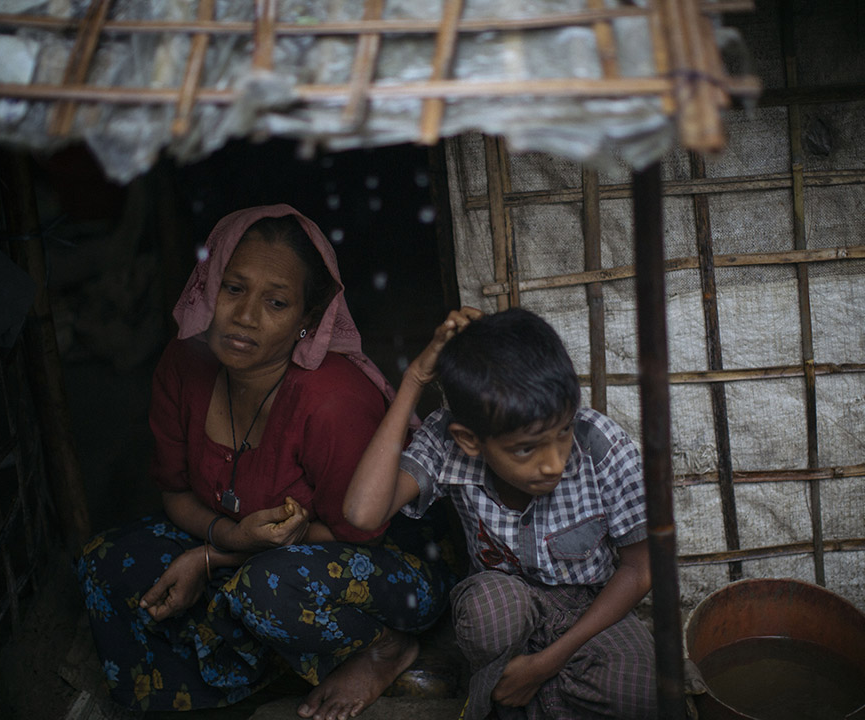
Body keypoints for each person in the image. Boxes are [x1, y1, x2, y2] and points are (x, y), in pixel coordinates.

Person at [77, 204, 456, 720]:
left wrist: (215, 558)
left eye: (276, 302)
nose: (246, 316)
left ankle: (385, 648)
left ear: (306, 319)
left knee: (266, 588)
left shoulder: (332, 401)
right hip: (247, 542)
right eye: (233, 289)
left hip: (377, 564)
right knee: (108, 563)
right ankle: (269, 664)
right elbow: (175, 493)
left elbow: (362, 532)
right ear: (207, 287)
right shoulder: (182, 366)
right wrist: (230, 539)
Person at [344, 307, 656, 719]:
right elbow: (363, 513)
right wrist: (415, 379)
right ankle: (518, 689)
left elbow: (639, 570)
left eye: (562, 431)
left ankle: (511, 692)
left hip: (589, 608)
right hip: (504, 605)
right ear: (470, 440)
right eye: (526, 449)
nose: (553, 463)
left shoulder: (603, 445)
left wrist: (545, 664)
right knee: (490, 611)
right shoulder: (447, 440)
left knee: (641, 693)